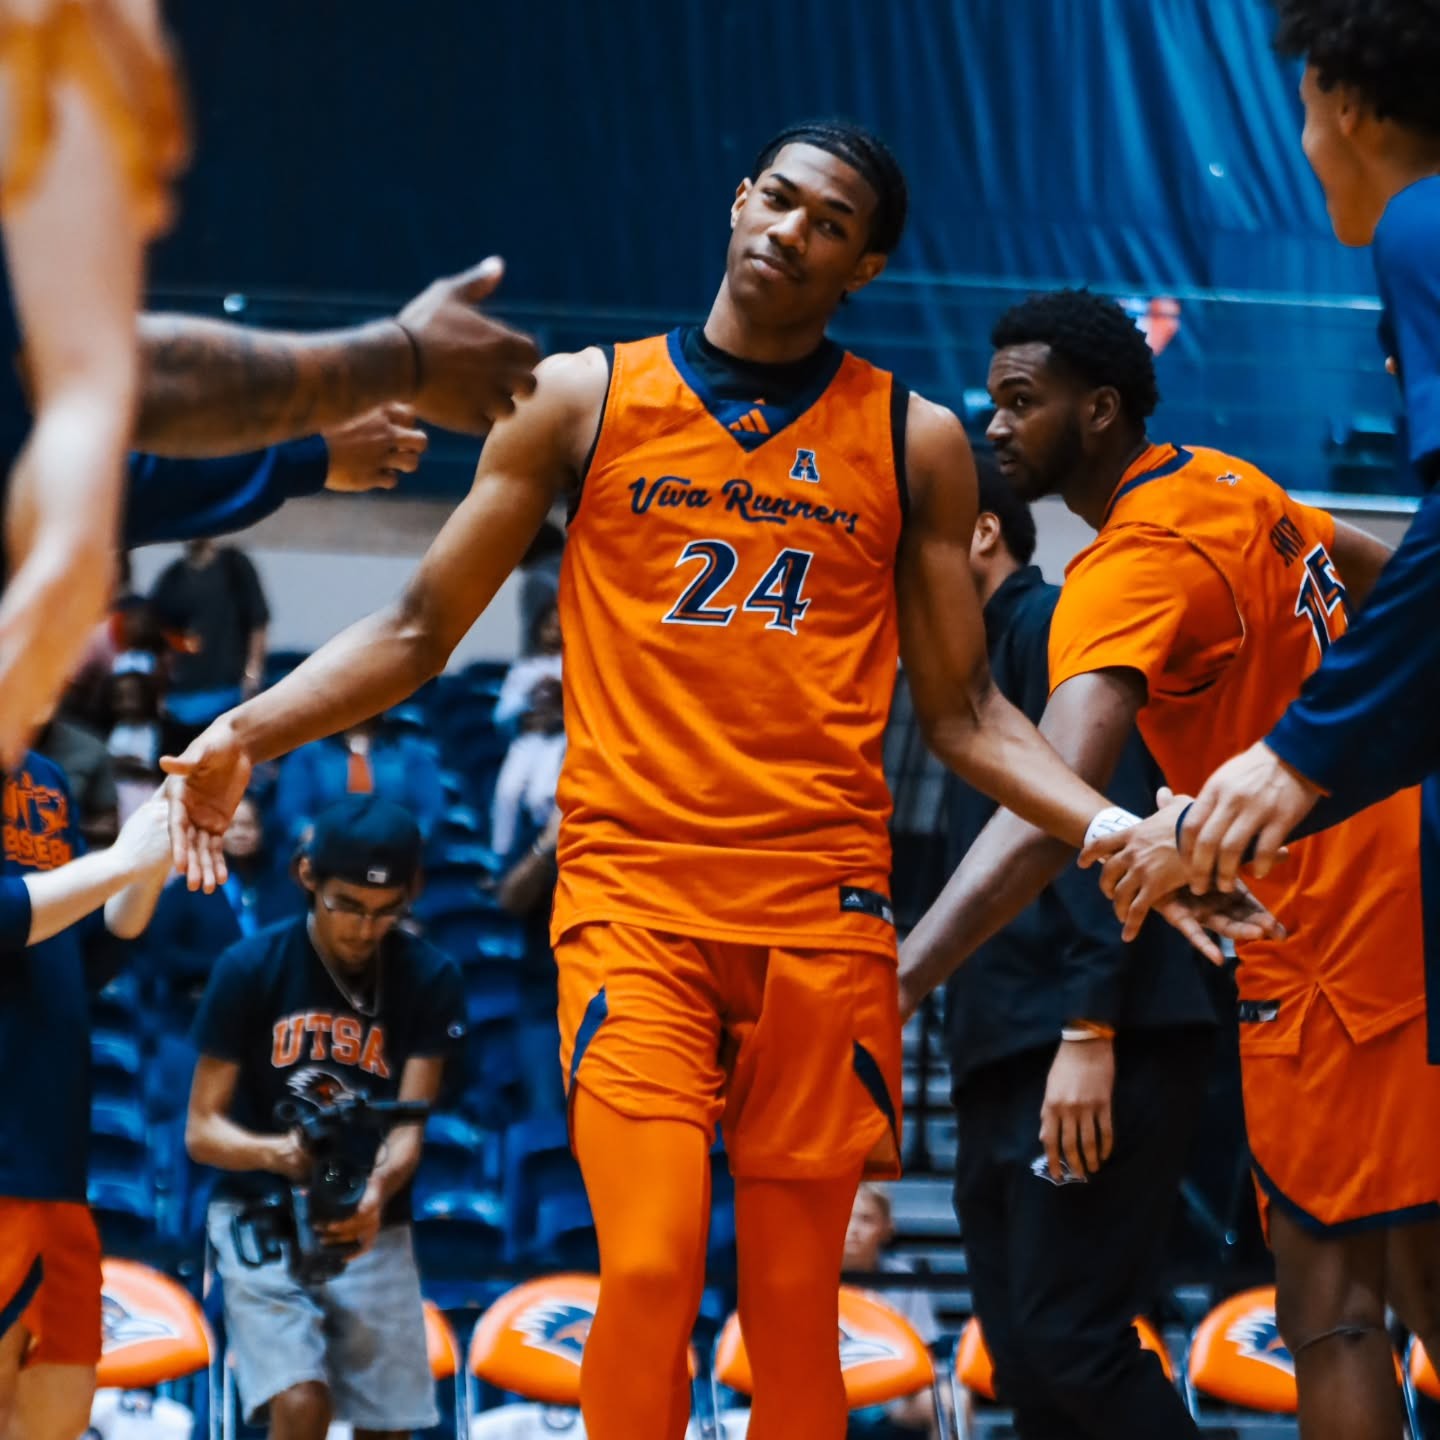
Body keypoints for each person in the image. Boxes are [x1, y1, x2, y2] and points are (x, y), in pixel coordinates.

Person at [161, 120, 1269, 1440]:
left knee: (794, 1311)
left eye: (829, 222)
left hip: (822, 917)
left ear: (864, 265)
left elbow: (970, 715)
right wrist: (246, 730)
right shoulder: (583, 397)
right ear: (739, 200)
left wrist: (1117, 830)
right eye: (779, 198)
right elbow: (415, 629)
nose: (791, 229)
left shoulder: (911, 439)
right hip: (635, 904)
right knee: (647, 1268)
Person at [900, 288, 1440, 1440]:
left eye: (1021, 401)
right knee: (1417, 1273)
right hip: (1402, 889)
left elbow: (1049, 810)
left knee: (1332, 1313)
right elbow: (1400, 586)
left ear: (1099, 410)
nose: (996, 424)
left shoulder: (1130, 564)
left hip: (1329, 947)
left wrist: (896, 980)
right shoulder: (1230, 481)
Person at [1105, 0, 1440, 898]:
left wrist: (1292, 753)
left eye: (1302, 108)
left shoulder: (1420, 223)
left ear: (1346, 104)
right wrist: (1225, 820)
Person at [927, 458, 1215, 1438]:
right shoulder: (960, 677)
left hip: (1087, 1039)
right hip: (1005, 1049)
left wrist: (1089, 1029)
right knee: (1024, 1361)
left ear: (982, 533)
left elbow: (1104, 830)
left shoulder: (1052, 624)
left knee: (1071, 1341)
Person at [186, 796, 465, 1440]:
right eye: (346, 905)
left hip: (372, 1215)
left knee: (389, 1429)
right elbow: (201, 1131)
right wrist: (280, 1155)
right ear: (306, 875)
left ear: (413, 892)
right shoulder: (248, 968)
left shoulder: (431, 978)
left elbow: (410, 1127)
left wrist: (374, 1193)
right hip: (259, 1209)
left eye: (386, 910)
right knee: (302, 1404)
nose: (364, 929)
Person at [0, 784, 174, 1440]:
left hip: (56, 1161)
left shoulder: (46, 778)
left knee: (61, 1409)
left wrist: (156, 847)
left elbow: (80, 952)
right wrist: (121, 860)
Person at [142, 793, 302, 1024]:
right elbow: (161, 951)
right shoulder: (186, 888)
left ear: (262, 829)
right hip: (202, 1005)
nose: (240, 833)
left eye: (248, 825)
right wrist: (223, 967)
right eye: (230, 826)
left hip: (278, 1007)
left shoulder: (288, 887)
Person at [150, 539, 270, 752]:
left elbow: (257, 621)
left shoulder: (234, 565)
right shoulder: (173, 576)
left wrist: (253, 671)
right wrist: (159, 687)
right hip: (182, 695)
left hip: (227, 687)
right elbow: (161, 633)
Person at [842, 1185, 939, 1439]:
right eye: (844, 1216)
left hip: (892, 1396)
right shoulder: (805, 1276)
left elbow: (925, 1353)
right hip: (824, 1394)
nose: (853, 1229)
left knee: (950, 1399)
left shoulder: (905, 1279)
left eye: (866, 1219)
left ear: (887, 1227)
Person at [274, 714, 446, 847]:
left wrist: (406, 843)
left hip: (396, 855)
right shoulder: (308, 753)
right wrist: (321, 844)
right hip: (327, 856)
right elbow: (294, 814)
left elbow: (429, 813)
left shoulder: (411, 751)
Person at [490, 675, 566, 857]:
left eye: (549, 707)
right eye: (540, 707)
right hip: (530, 833)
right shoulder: (523, 745)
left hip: (557, 833)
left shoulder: (568, 741)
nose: (543, 713)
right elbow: (507, 795)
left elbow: (545, 797)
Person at [494, 601, 563, 733]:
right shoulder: (524, 669)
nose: (554, 634)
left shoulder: (578, 666)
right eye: (549, 627)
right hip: (533, 736)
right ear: (539, 628)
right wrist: (533, 693)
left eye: (560, 628)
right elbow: (502, 715)